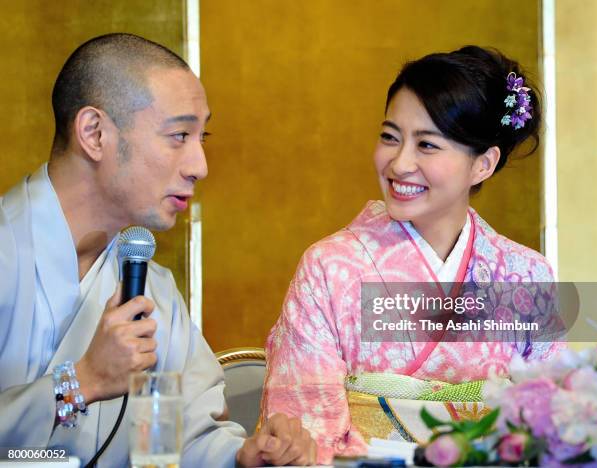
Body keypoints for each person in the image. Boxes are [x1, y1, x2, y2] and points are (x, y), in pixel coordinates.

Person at [0, 33, 316, 467]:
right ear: (94, 133)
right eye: (179, 135)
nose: (199, 166)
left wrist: (244, 458)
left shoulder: (154, 291)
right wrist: (81, 382)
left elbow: (177, 441)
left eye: (203, 136)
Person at [261, 46, 563, 463]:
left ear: (483, 164)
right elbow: (305, 433)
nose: (399, 163)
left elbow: (553, 426)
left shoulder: (526, 274)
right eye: (390, 137)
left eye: (427, 145)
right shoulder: (328, 268)